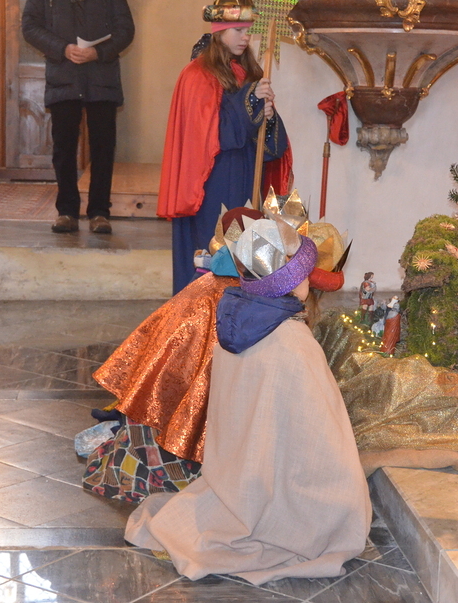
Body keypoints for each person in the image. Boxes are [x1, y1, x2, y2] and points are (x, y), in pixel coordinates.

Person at [124, 211, 371, 584]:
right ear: (293, 282)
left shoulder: (234, 322)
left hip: (235, 475)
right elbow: (321, 431)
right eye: (305, 273)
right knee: (342, 505)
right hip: (281, 483)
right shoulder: (294, 341)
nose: (309, 279)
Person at [157, 0, 292, 294]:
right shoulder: (198, 75)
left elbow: (269, 145)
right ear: (219, 31)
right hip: (211, 183)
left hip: (245, 178)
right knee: (213, 253)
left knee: (243, 255)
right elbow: (213, 134)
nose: (245, 37)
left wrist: (268, 116)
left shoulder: (248, 72)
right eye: (238, 30)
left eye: (248, 30)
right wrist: (251, 101)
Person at [21, 0, 135, 234]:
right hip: (64, 76)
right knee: (64, 148)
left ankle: (99, 213)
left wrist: (99, 52)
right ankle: (67, 212)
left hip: (101, 77)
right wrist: (62, 48)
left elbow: (125, 29)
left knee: (103, 148)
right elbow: (30, 26)